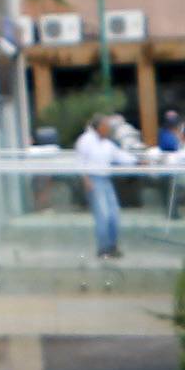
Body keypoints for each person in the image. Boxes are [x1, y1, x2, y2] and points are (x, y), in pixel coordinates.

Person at [73, 111, 141, 259]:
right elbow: (79, 162)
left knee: (113, 214)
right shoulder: (85, 140)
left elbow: (120, 156)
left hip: (106, 180)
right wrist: (86, 179)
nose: (109, 130)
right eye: (106, 127)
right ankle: (103, 248)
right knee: (102, 215)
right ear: (99, 127)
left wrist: (138, 161)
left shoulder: (107, 143)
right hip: (94, 179)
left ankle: (112, 246)